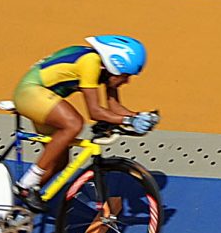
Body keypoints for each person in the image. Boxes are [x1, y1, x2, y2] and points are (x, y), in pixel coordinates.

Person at [10, 35, 155, 207]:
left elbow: (115, 109)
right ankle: (25, 184)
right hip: (31, 92)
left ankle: (20, 201)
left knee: (60, 162)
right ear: (116, 65)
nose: (127, 81)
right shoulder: (90, 63)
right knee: (73, 123)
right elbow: (95, 112)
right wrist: (130, 120)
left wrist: (139, 117)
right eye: (126, 75)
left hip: (44, 98)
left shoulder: (106, 71)